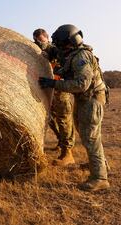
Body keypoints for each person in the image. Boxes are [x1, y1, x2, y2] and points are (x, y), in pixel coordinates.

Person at [38, 24, 110, 191]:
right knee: (87, 135)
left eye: (60, 43)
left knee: (90, 138)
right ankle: (102, 166)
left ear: (68, 42)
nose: (58, 46)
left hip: (91, 100)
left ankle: (100, 178)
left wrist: (54, 83)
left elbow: (81, 84)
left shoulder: (81, 57)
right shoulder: (73, 53)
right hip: (85, 100)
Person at [33, 28, 76, 166]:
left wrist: (43, 48)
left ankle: (67, 153)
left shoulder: (56, 50)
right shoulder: (42, 53)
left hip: (61, 89)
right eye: (36, 40)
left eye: (40, 40)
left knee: (64, 120)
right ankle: (60, 141)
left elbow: (54, 55)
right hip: (49, 89)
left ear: (47, 38)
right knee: (51, 119)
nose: (39, 43)